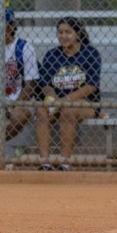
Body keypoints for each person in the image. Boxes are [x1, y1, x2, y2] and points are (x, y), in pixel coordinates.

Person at [35, 17, 102, 171]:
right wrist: (53, 98)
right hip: (58, 101)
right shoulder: (52, 55)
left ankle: (64, 162)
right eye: (60, 32)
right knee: (41, 111)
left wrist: (64, 100)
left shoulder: (90, 53)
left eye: (68, 32)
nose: (63, 36)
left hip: (85, 102)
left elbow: (91, 86)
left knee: (68, 111)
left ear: (78, 34)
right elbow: (45, 84)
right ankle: (45, 162)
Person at [3, 4, 41, 140]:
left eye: (2, 23)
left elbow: (31, 85)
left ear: (12, 25)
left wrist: (14, 104)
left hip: (19, 100)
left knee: (20, 115)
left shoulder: (24, 47)